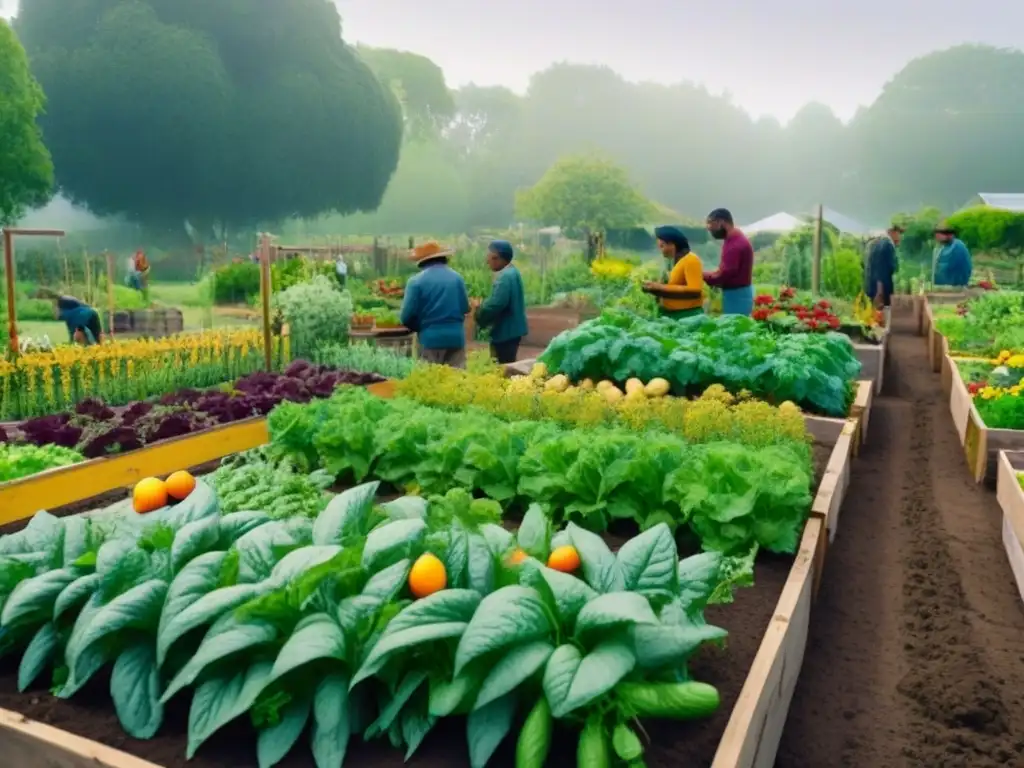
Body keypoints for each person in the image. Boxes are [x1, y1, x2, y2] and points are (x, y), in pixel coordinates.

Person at [400, 241, 471, 367]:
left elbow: (406, 316)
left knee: (431, 380)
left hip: (430, 339)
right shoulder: (457, 278)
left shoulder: (416, 282)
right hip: (456, 338)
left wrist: (419, 327)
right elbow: (465, 308)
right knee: (456, 381)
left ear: (422, 261)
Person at [475, 239, 528, 363]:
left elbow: (495, 304)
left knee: (502, 368)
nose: (487, 261)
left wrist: (479, 311)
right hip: (513, 331)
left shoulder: (504, 277)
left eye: (489, 257)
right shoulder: (513, 272)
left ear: (496, 257)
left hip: (505, 332)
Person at [642, 226, 705, 318]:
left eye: (662, 246)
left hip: (688, 316)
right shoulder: (674, 262)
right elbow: (672, 288)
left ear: (672, 244)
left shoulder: (691, 260)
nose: (660, 250)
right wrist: (654, 288)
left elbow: (695, 290)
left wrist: (660, 288)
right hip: (671, 315)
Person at [703, 208, 754, 315]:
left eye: (711, 224)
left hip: (737, 295)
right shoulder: (734, 239)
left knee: (736, 327)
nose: (709, 229)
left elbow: (726, 273)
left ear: (721, 222)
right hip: (739, 293)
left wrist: (703, 275)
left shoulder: (734, 245)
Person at [865, 224, 903, 329]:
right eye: (899, 233)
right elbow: (881, 270)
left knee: (875, 320)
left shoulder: (876, 243)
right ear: (892, 232)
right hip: (881, 291)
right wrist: (880, 293)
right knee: (881, 321)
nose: (900, 237)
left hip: (872, 288)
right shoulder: (886, 245)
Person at [36, 289, 103, 345]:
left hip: (81, 317)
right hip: (91, 314)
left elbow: (57, 316)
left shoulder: (63, 301)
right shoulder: (62, 304)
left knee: (77, 341)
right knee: (96, 340)